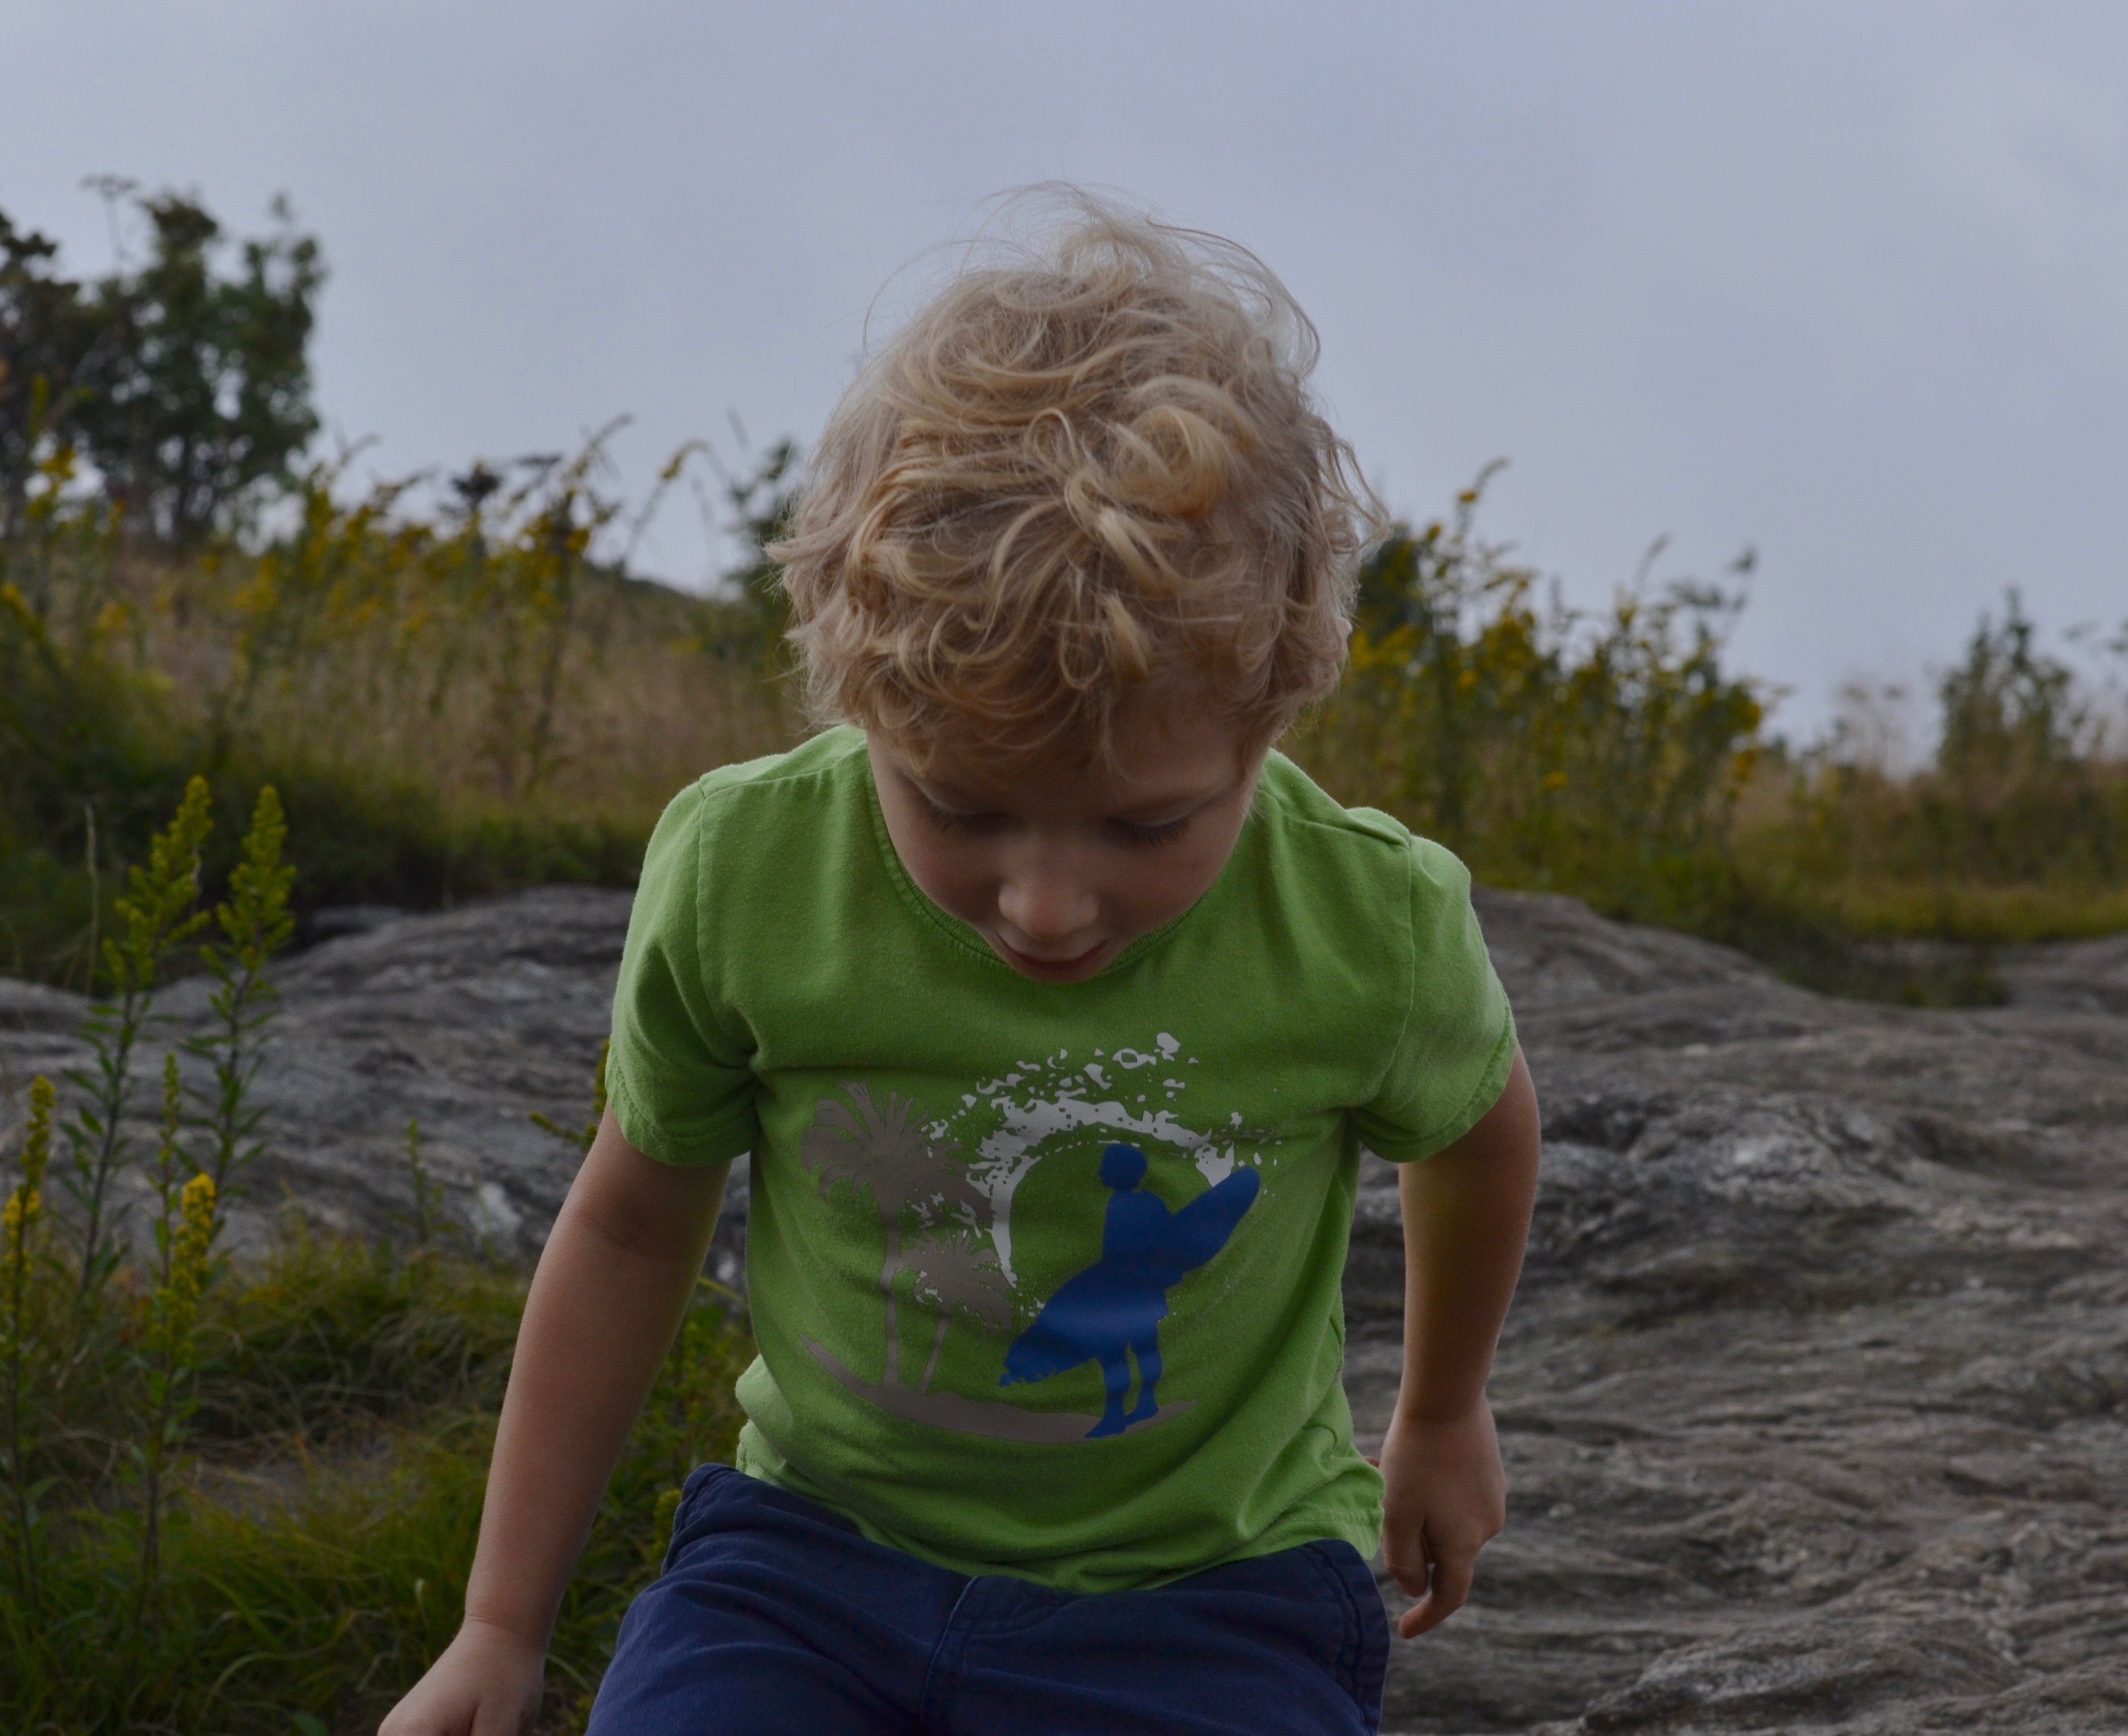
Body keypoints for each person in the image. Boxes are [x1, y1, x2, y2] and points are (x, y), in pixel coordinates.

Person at [379, 189, 1540, 1736]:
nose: (1046, 906)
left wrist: (1444, 1410)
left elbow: (1477, 1130)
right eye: (962, 808)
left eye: (1146, 826)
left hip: (1210, 1595)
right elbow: (634, 1225)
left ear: (1269, 716)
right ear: (860, 700)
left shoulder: (1363, 921)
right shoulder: (746, 874)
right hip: (811, 1572)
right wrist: (500, 1623)